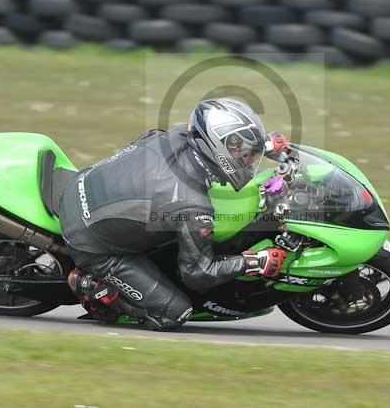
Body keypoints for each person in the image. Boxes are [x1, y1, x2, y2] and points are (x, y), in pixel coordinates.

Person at [59, 97, 289, 331]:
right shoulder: (193, 206)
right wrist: (255, 262)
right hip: (90, 241)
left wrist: (264, 146)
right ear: (218, 148)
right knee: (175, 313)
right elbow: (198, 273)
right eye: (239, 150)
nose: (246, 159)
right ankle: (96, 289)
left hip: (83, 182)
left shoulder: (181, 135)